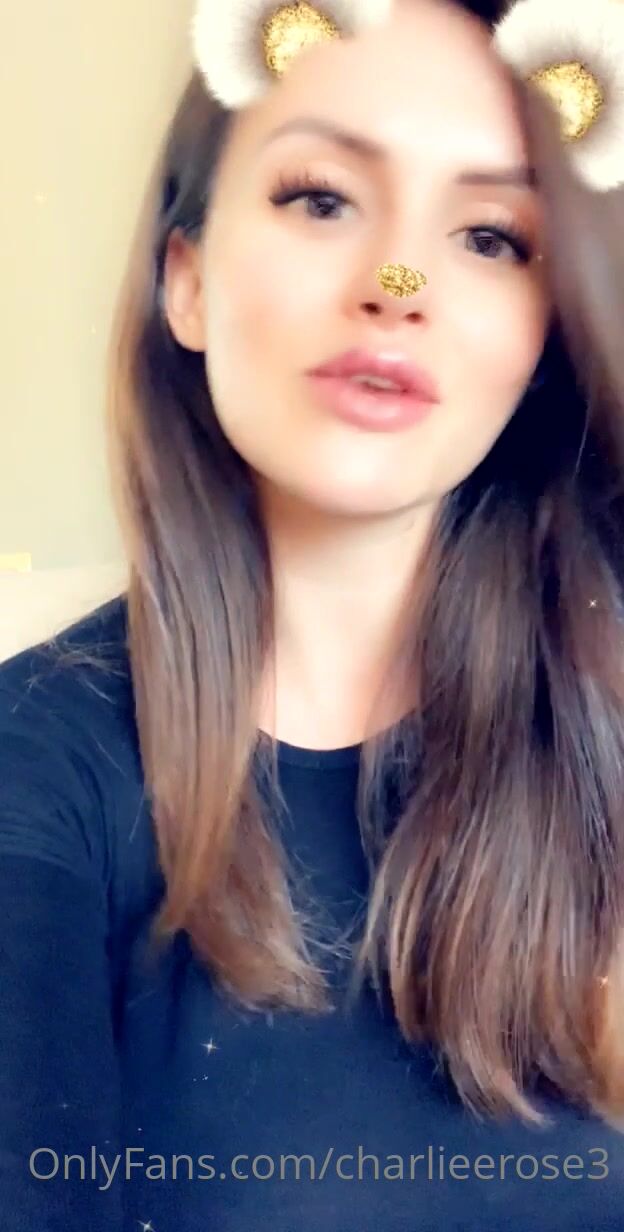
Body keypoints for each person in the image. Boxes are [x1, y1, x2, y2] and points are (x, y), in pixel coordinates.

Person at [2, 0, 624, 1227]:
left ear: (546, 338)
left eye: (489, 236)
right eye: (323, 199)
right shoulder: (34, 774)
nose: (399, 284)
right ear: (185, 281)